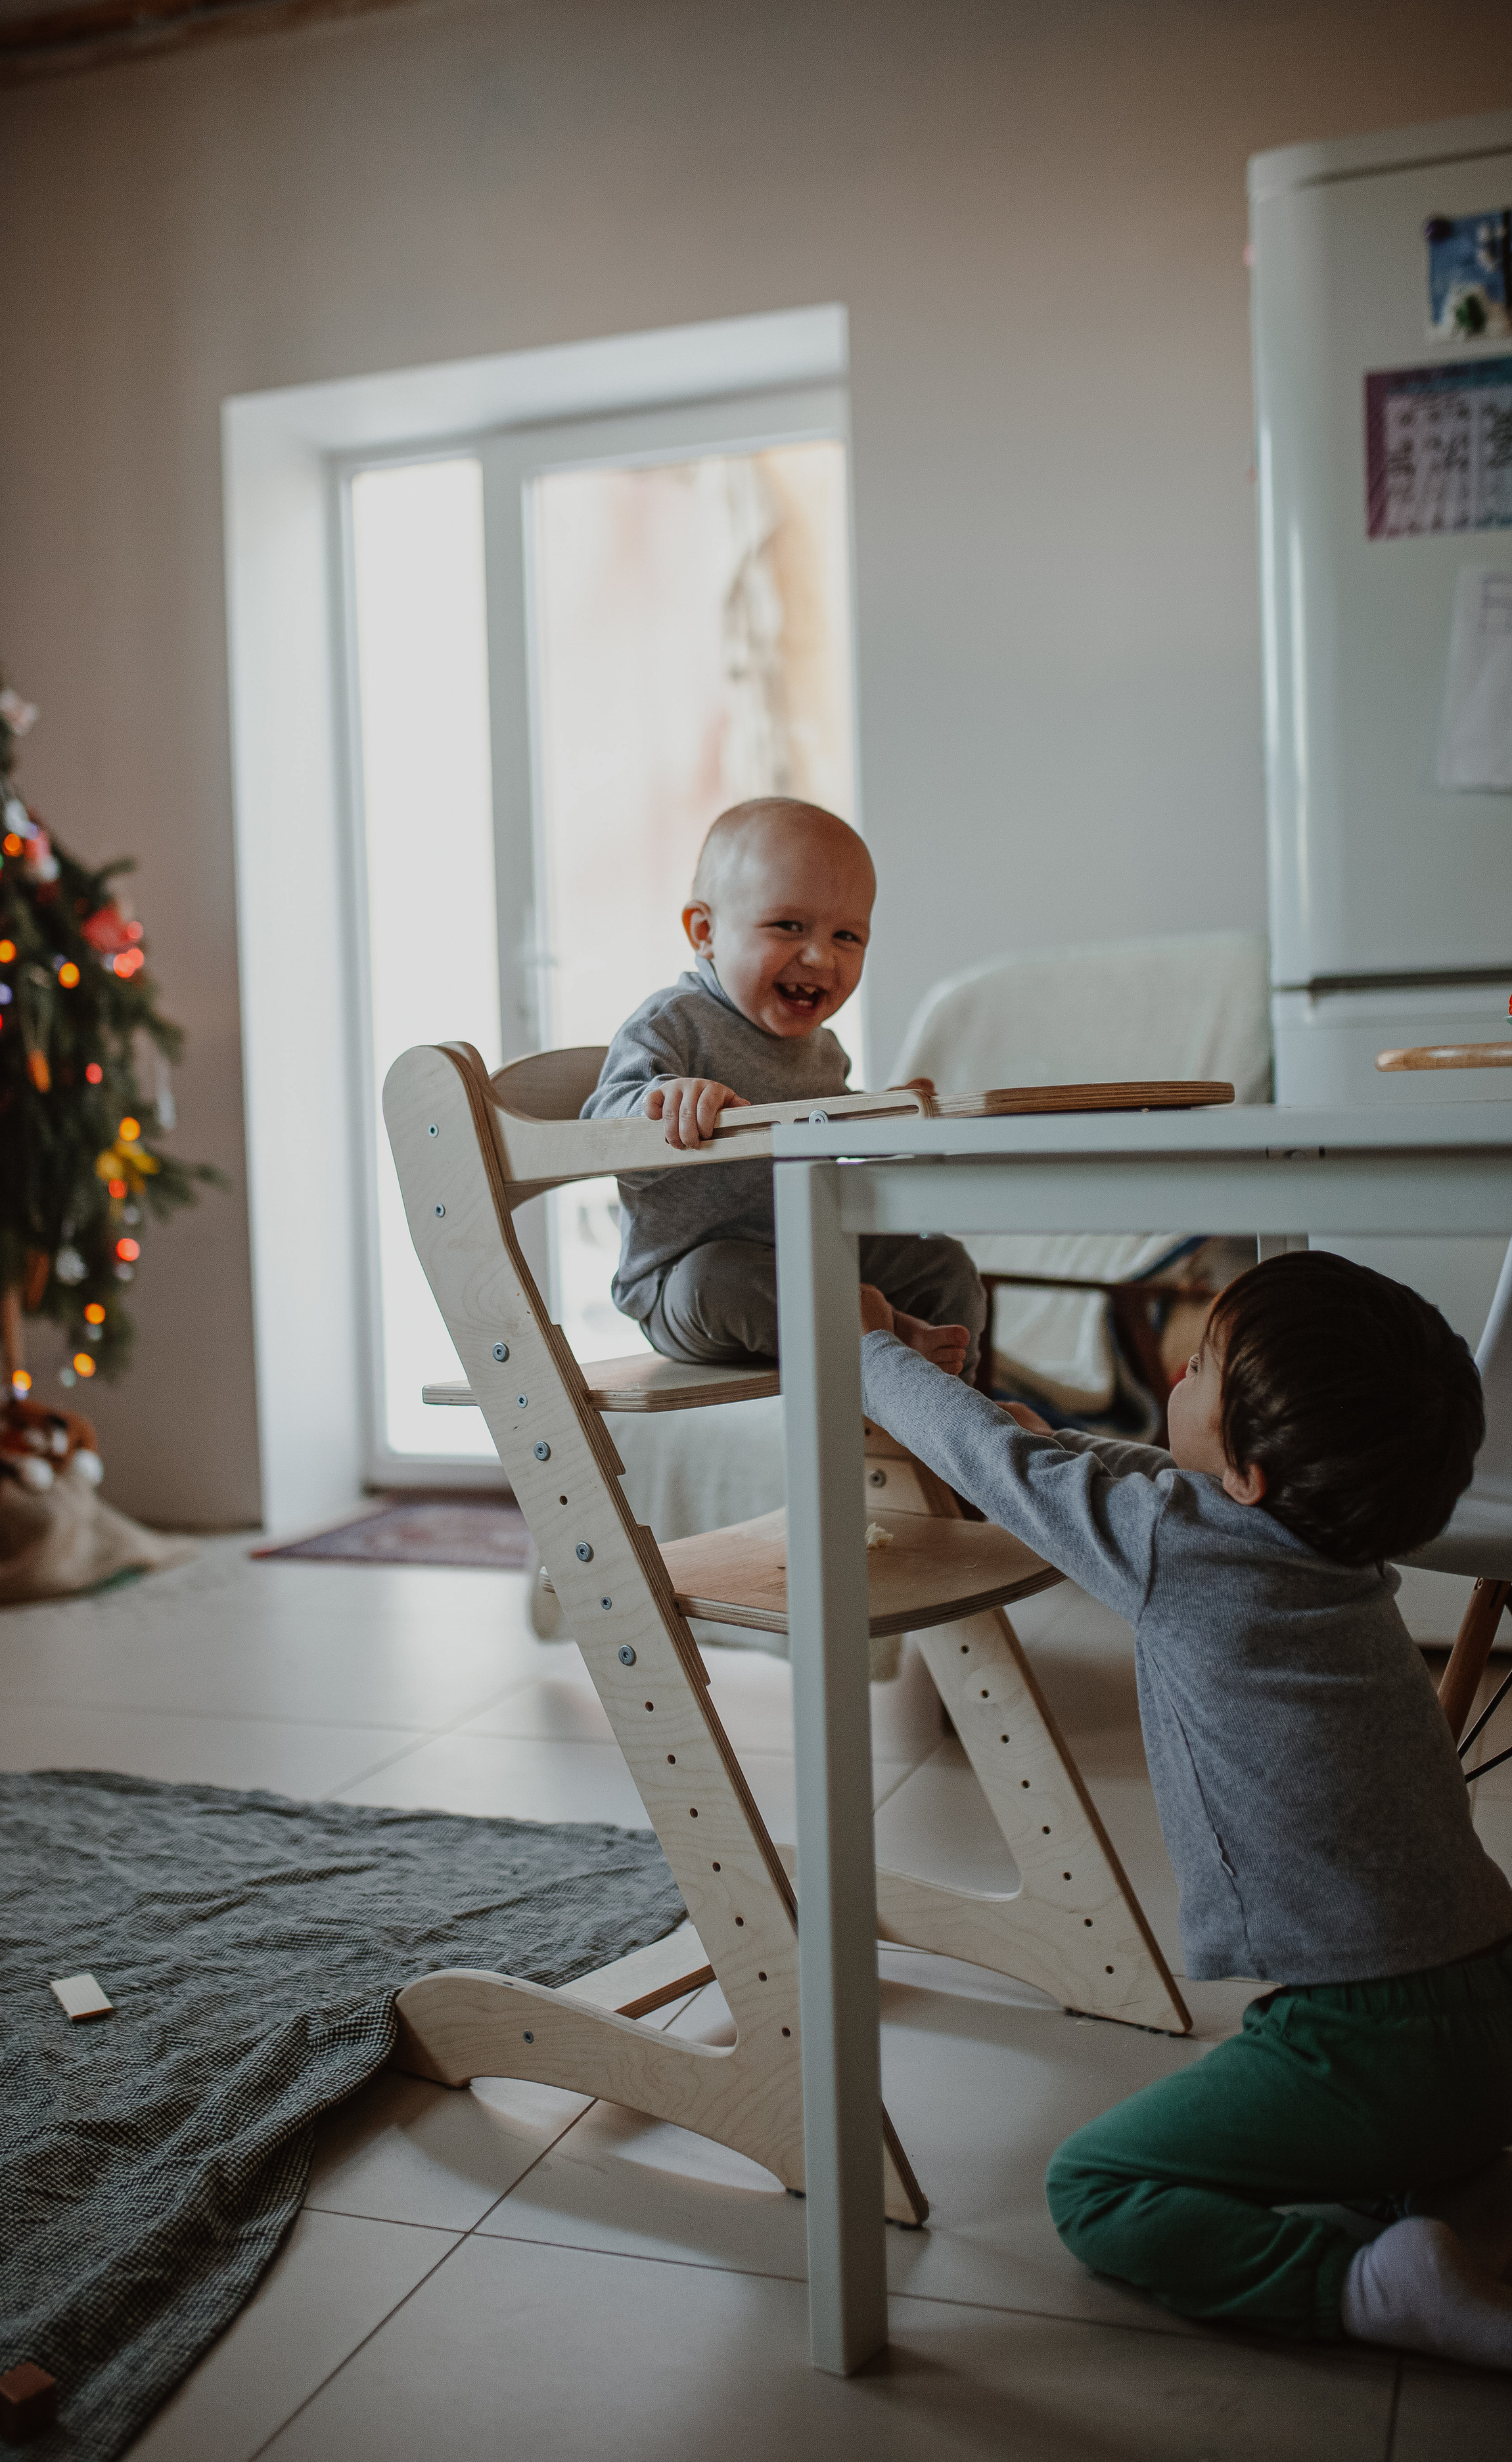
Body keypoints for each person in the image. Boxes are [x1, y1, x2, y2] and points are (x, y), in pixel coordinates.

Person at [859, 1246, 1512, 2366]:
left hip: (1366, 2040)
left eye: (1203, 1365)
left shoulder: (1182, 1551)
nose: (1179, 1375)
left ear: (1254, 1471)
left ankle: (1369, 2287)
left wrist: (863, 1350)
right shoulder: (1339, 1545)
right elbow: (1132, 1480)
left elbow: (996, 1461)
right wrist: (1033, 1432)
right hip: (1490, 1995)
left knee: (1097, 2185)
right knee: (1407, 2124)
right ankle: (1440, 2175)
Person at [581, 796, 984, 1370]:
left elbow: (834, 1143)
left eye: (848, 936)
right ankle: (881, 1341)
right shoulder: (672, 1023)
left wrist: (888, 1120)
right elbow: (601, 1135)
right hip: (685, 1284)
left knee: (943, 1265)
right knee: (721, 1277)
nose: (820, 957)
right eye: (788, 926)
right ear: (706, 932)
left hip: (809, 1250)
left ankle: (954, 1422)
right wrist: (658, 1104)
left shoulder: (822, 1050)